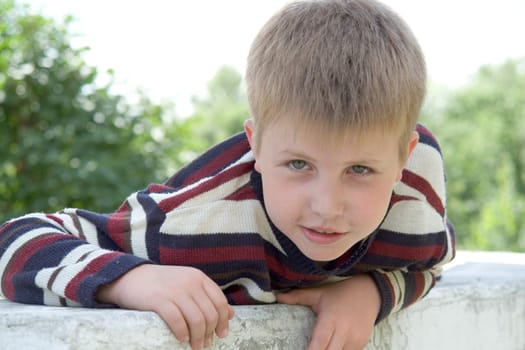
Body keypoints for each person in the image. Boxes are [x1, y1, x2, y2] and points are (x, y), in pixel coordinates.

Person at [0, 0, 455, 349]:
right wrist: (133, 278)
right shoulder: (188, 226)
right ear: (256, 144)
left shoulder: (415, 198)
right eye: (298, 165)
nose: (327, 206)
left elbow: (433, 258)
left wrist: (373, 291)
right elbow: (15, 239)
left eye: (360, 170)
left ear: (402, 158)